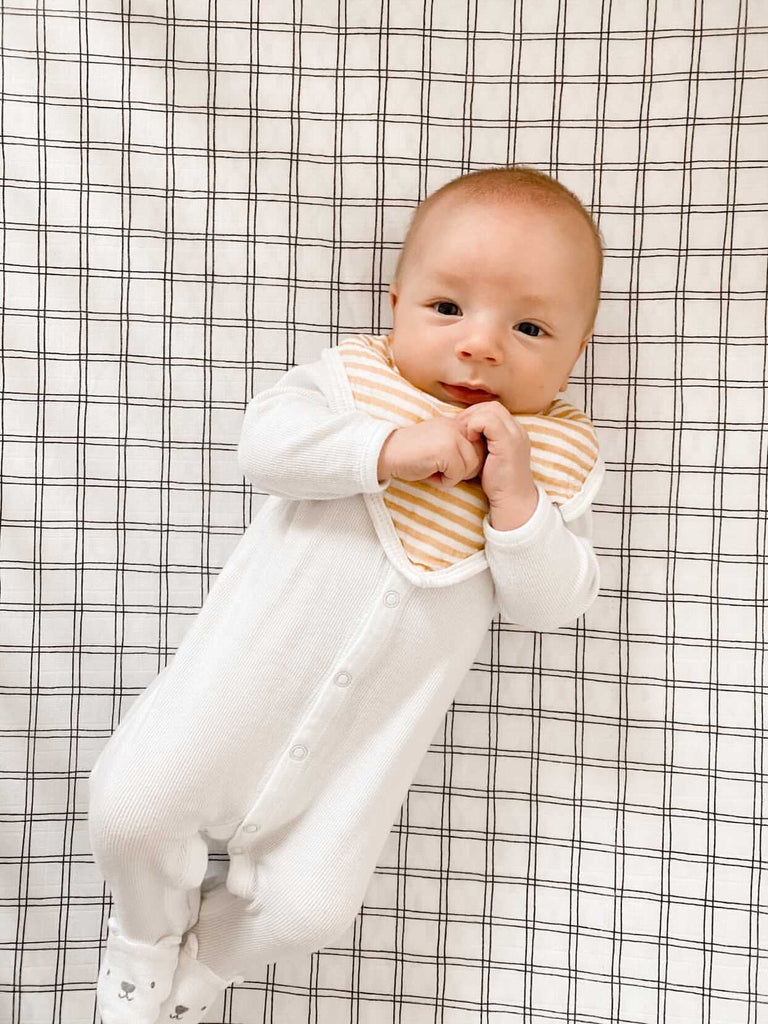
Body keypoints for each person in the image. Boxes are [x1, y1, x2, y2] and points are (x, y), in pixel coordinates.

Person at [88, 164, 606, 1024]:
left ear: (574, 354)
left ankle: (203, 972)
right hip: (235, 694)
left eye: (530, 326)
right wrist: (390, 449)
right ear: (396, 300)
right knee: (129, 812)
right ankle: (145, 944)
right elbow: (266, 449)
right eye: (448, 308)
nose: (481, 345)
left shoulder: (547, 464)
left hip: (361, 761)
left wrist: (517, 505)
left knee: (314, 911)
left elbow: (552, 603)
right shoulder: (351, 387)